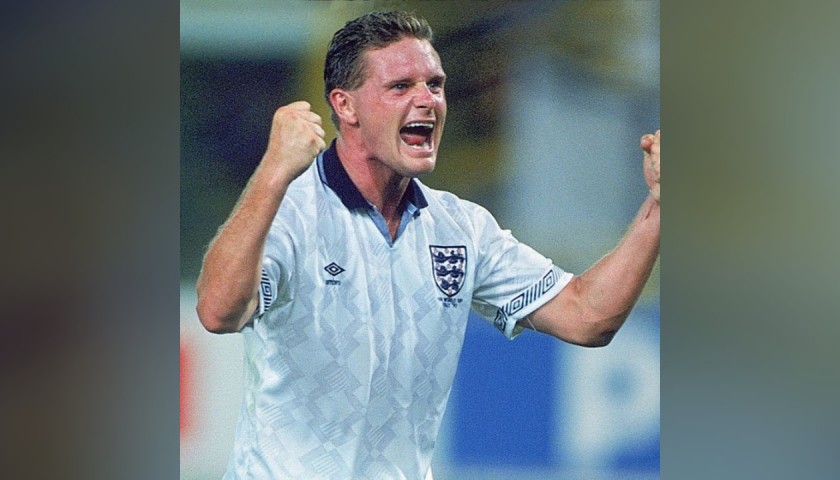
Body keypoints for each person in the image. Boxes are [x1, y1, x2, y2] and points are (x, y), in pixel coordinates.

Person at [196, 10, 660, 480]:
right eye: (400, 87)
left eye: (434, 85)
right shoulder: (290, 212)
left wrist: (658, 209)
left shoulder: (461, 228)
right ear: (346, 106)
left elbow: (587, 317)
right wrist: (273, 172)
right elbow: (218, 311)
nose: (427, 101)